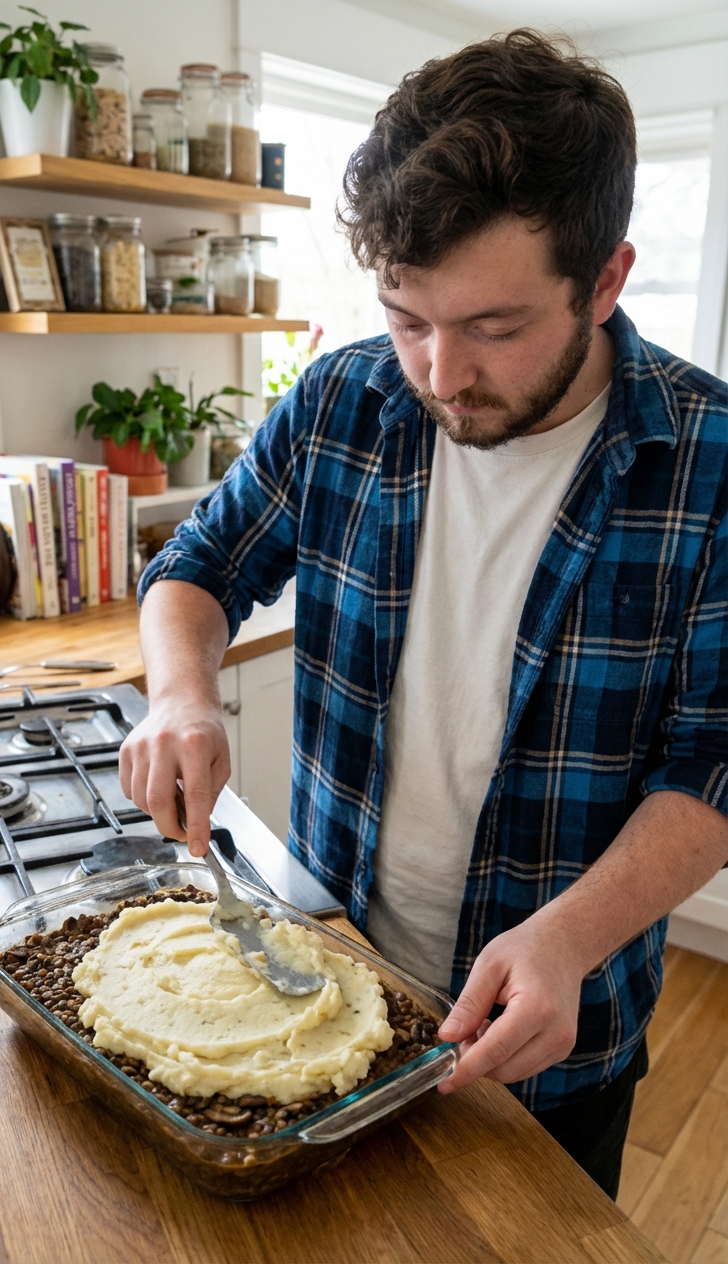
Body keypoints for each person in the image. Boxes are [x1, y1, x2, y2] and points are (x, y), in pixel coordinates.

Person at [120, 30, 727, 1198]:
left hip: (549, 1034)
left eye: (492, 328)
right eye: (407, 316)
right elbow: (196, 566)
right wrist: (183, 692)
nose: (440, 373)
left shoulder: (708, 466)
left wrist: (566, 937)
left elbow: (711, 761)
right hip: (312, 977)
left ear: (603, 280)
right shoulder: (344, 397)